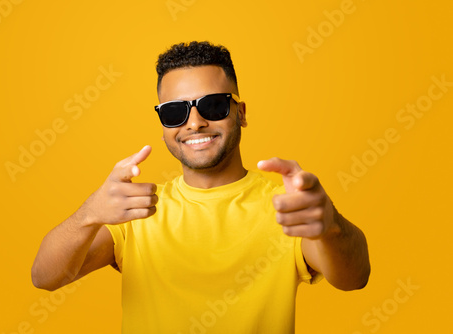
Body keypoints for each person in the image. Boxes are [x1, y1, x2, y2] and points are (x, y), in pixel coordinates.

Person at [31, 41, 370, 333]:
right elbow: (46, 277)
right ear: (163, 124)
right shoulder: (137, 209)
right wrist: (89, 214)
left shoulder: (287, 206)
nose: (195, 123)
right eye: (175, 111)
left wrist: (330, 225)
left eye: (213, 105)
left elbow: (355, 278)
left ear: (241, 112)